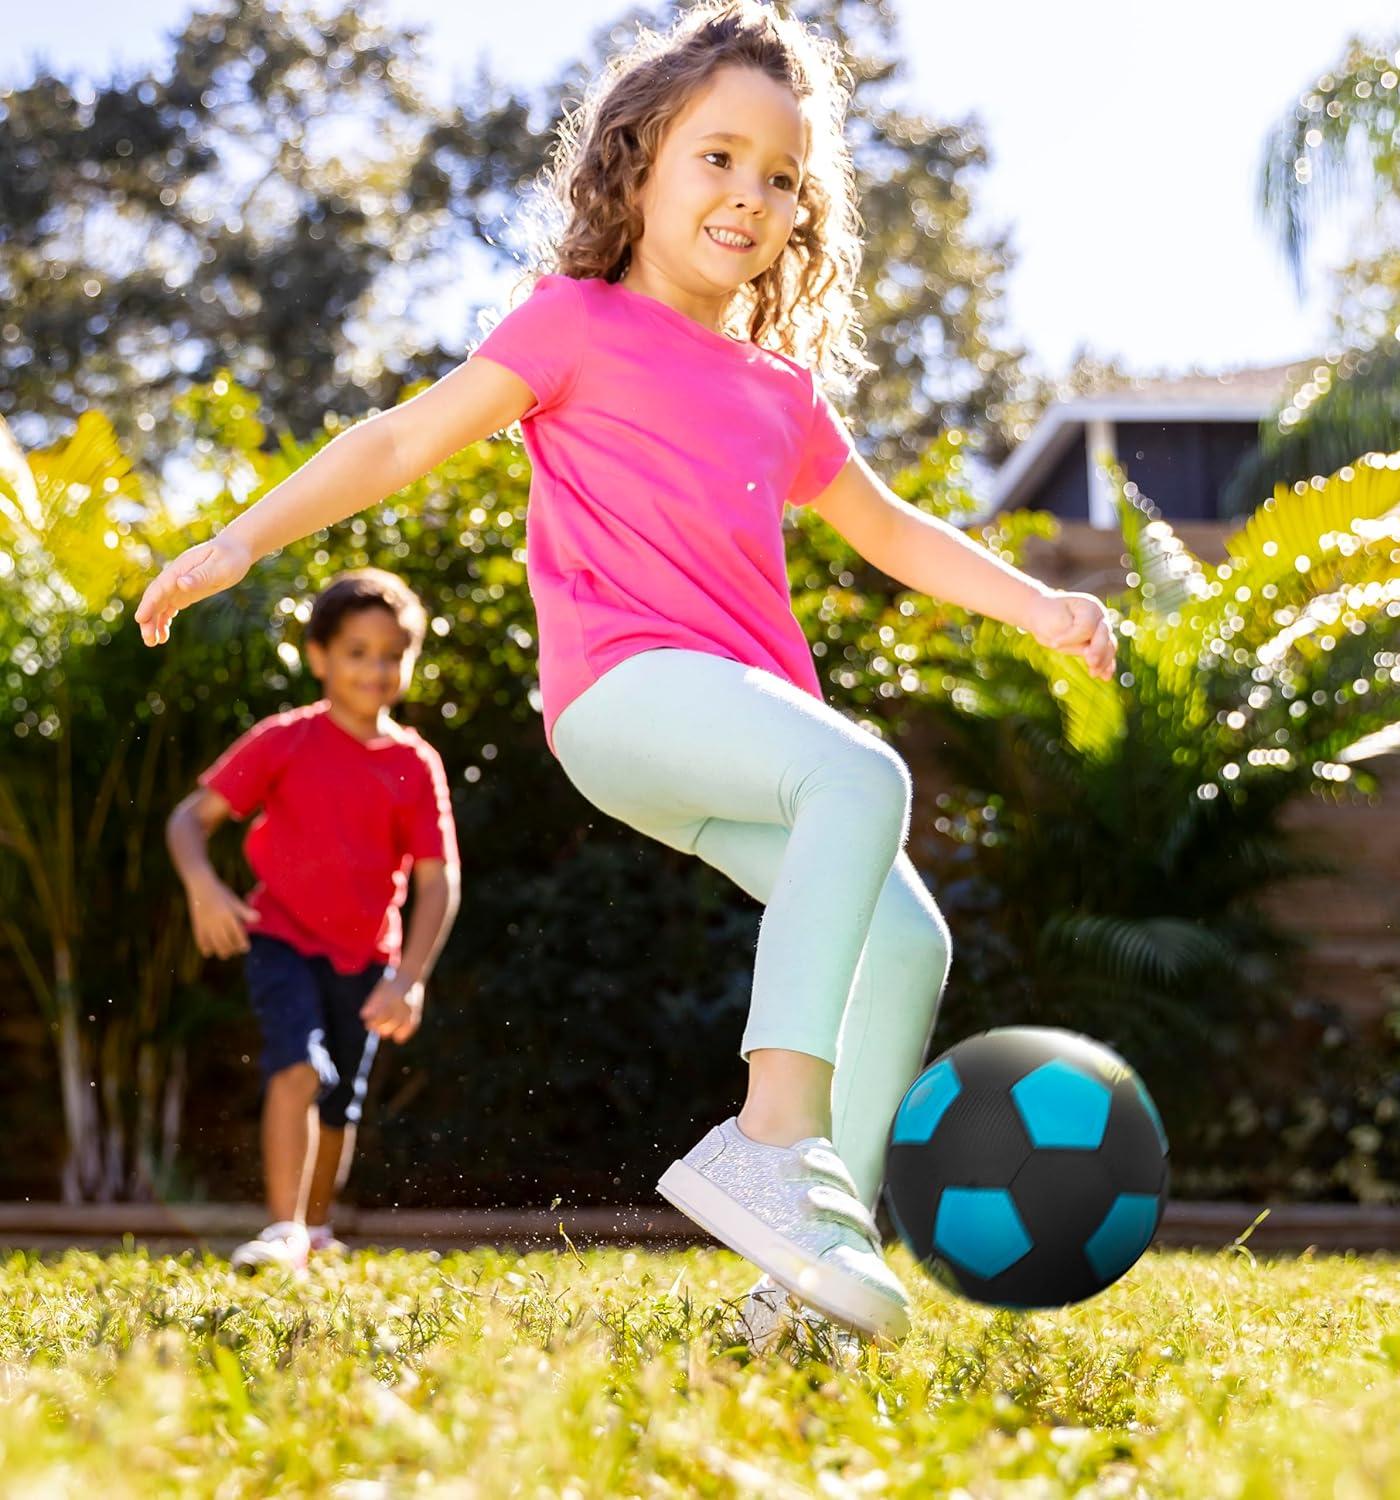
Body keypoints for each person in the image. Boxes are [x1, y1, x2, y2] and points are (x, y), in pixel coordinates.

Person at [136, 0, 1114, 1342]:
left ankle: (816, 1272)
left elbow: (890, 532)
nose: (749, 194)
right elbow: (395, 445)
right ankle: (770, 1141)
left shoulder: (782, 391)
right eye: (718, 156)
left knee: (904, 941)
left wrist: (1037, 604)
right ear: (639, 160)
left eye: (781, 177)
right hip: (625, 694)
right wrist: (239, 539)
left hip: (733, 731)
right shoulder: (572, 325)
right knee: (862, 775)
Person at [164, 569, 461, 1271]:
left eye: (392, 654)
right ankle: (283, 1229)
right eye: (357, 651)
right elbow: (188, 819)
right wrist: (204, 888)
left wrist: (410, 977)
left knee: (340, 1104)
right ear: (320, 656)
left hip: (368, 958)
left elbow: (437, 877)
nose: (376, 668)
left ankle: (317, 1228)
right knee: (297, 1063)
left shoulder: (416, 766)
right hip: (281, 936)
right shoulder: (284, 739)